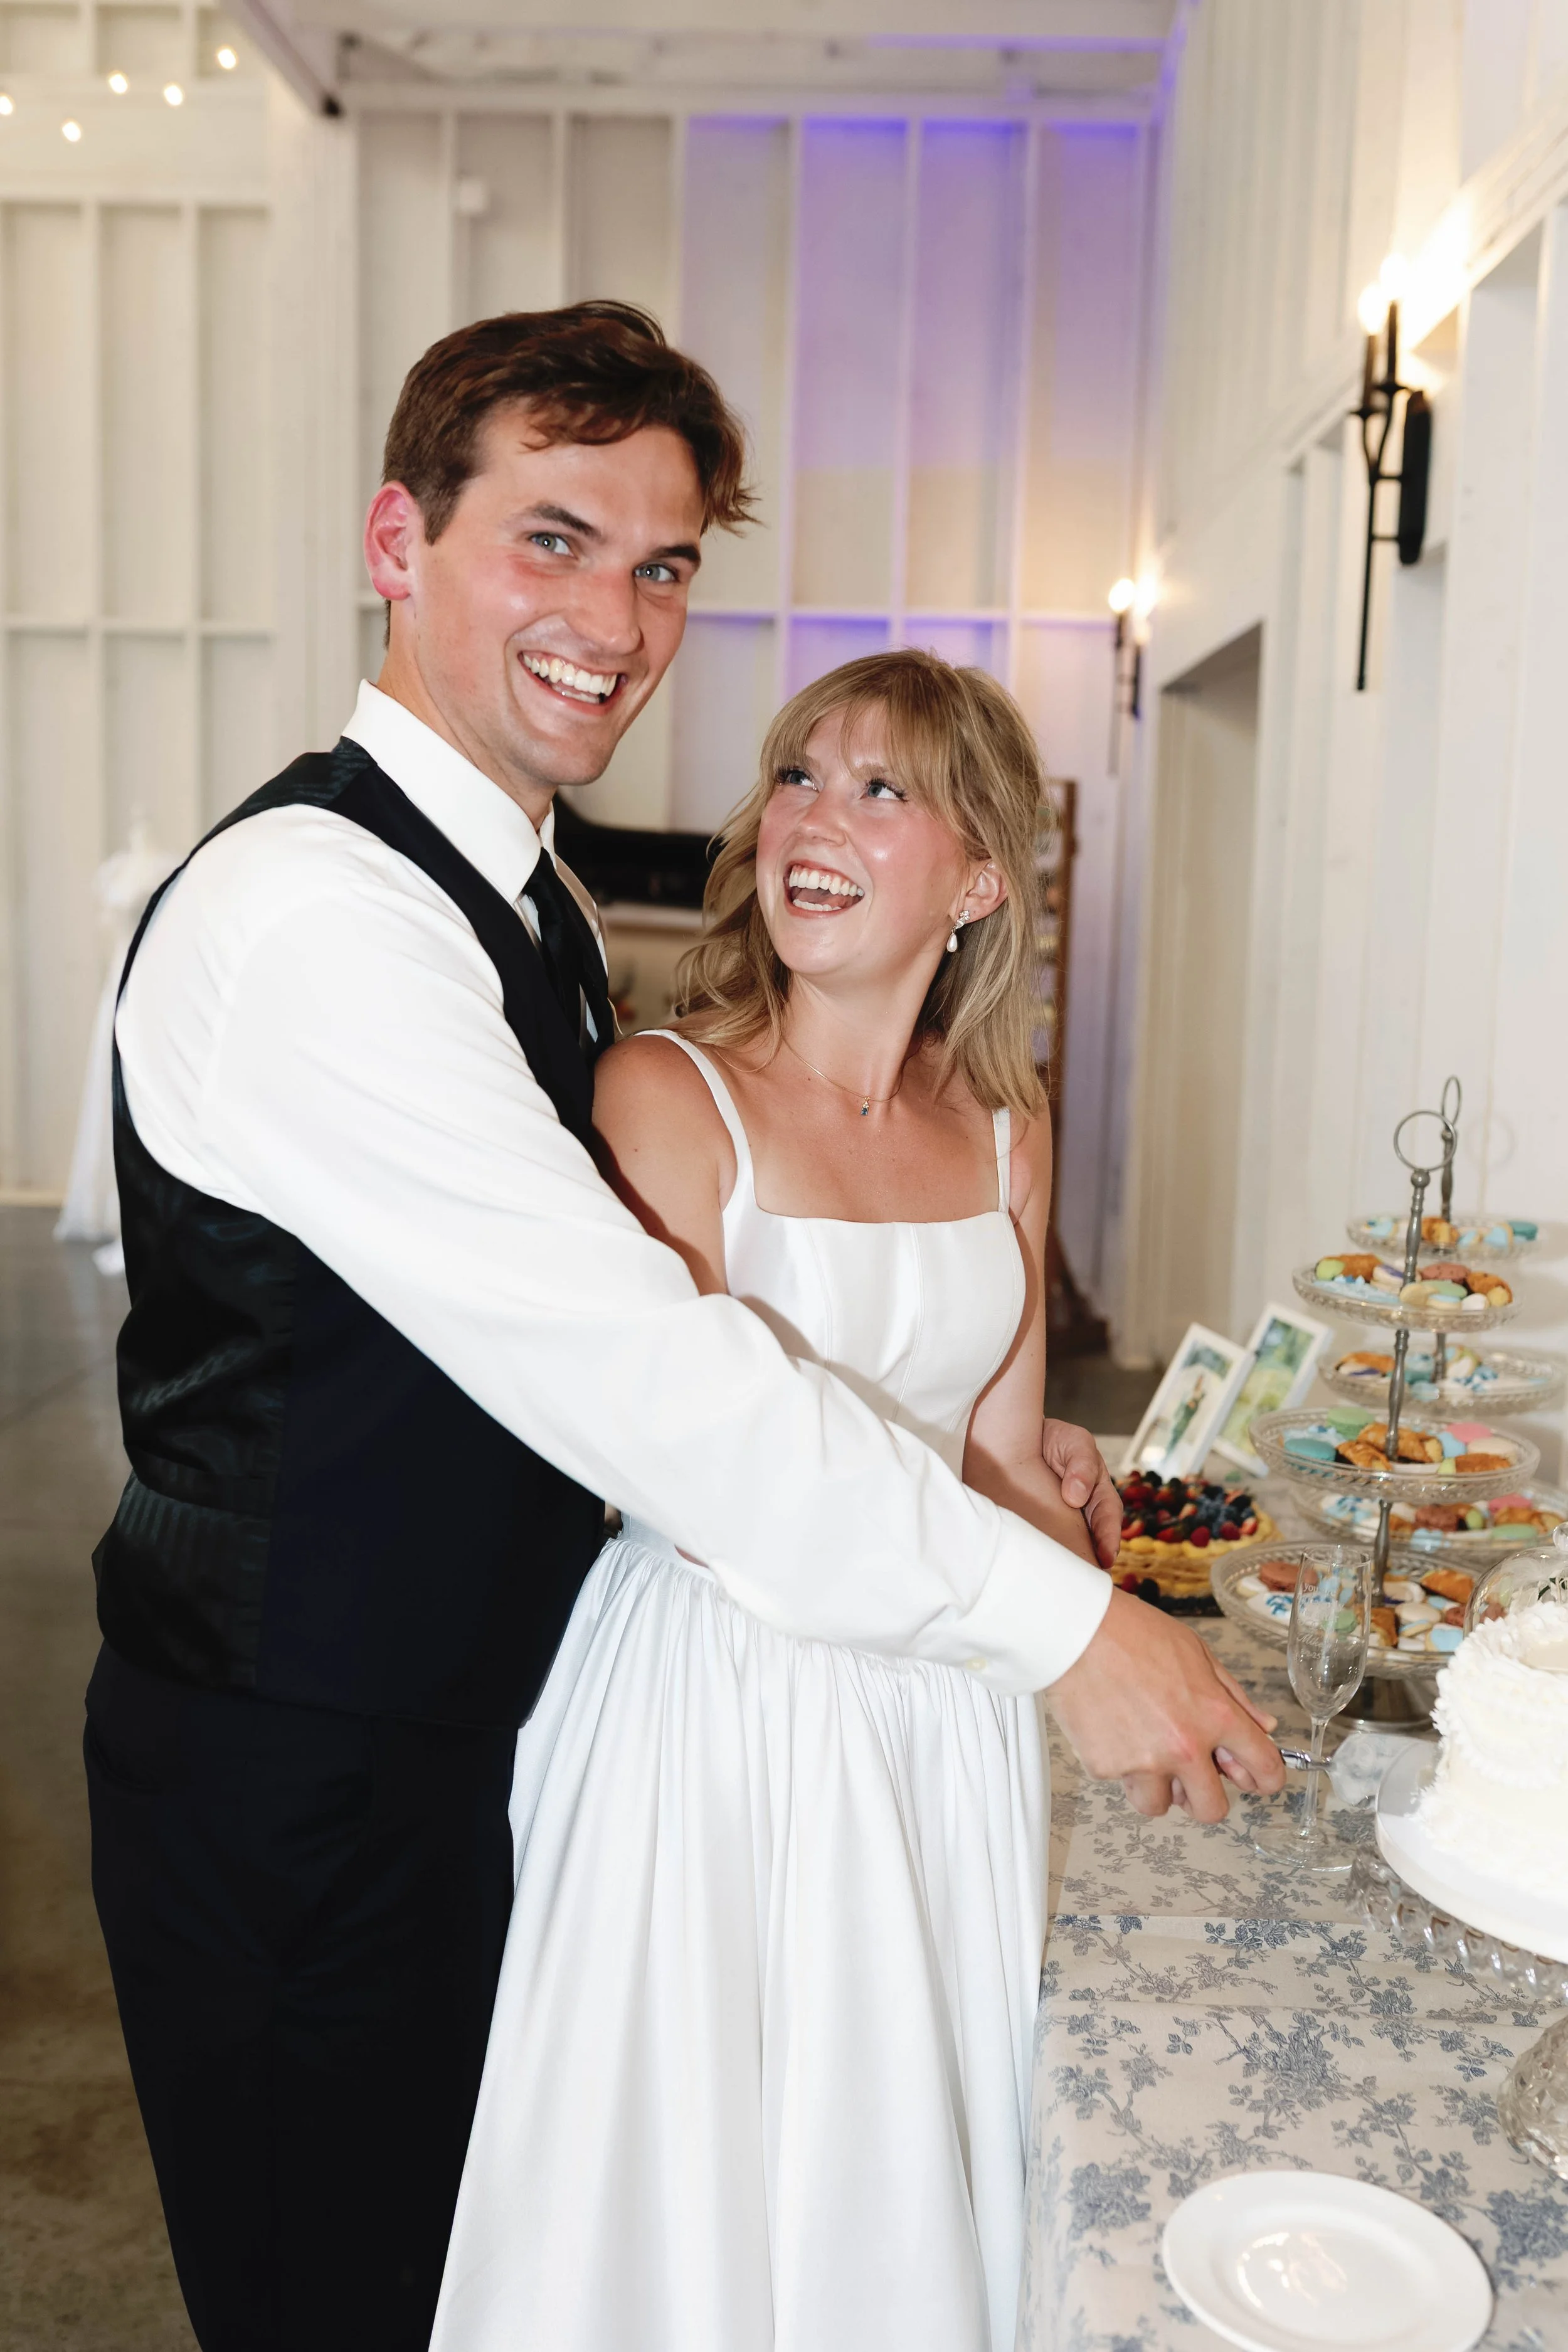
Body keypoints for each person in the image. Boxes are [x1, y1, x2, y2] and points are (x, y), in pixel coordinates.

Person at [83, 301, 1283, 2352]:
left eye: (659, 566)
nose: (615, 617)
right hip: (303, 1779)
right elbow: (649, 1377)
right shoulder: (316, 916)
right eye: (548, 538)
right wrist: (1066, 1622)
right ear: (397, 538)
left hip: (475, 1737)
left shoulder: (526, 908)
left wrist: (995, 1474)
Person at [430, 648, 1129, 2351]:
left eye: (881, 788)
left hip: (936, 1720)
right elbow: (692, 1465)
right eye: (800, 777)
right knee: (690, 2183)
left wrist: (1084, 1552)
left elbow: (986, 1452)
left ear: (977, 875)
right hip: (716, 1704)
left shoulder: (1003, 1137)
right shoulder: (666, 1098)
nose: (814, 817)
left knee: (893, 2166)